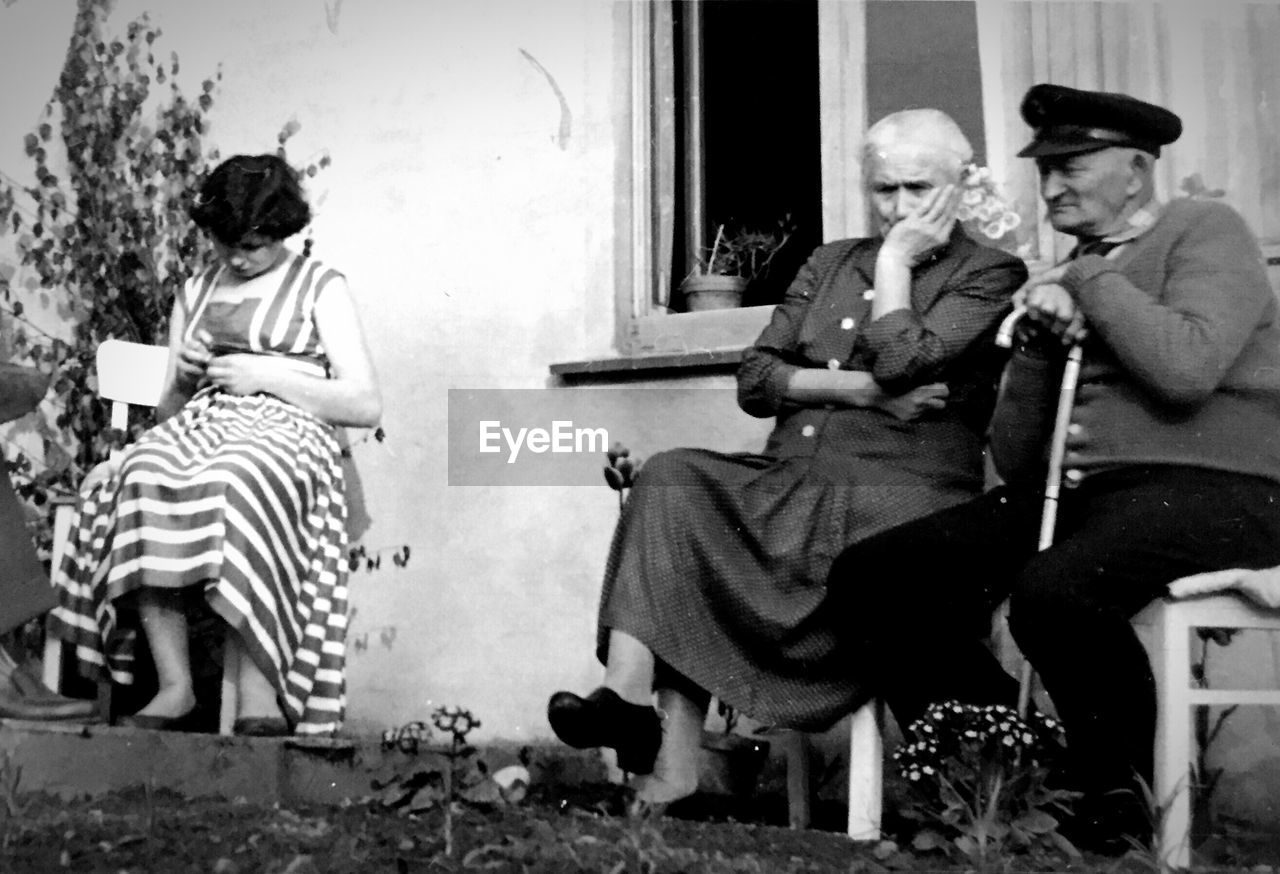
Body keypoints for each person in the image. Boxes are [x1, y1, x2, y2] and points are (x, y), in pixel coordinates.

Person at [824, 83, 1280, 854]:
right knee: (879, 574)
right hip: (1089, 496)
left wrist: (1085, 282)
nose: (1053, 186)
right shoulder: (1069, 271)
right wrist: (1034, 344)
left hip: (1223, 492)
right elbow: (1020, 460)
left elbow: (1186, 368)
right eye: (1044, 170)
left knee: (1058, 590)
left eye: (1073, 166)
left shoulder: (1206, 228)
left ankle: (1117, 807)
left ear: (1136, 170)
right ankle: (1013, 770)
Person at [548, 109, 1028, 805]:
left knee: (763, 540)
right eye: (884, 190)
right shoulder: (830, 261)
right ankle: (630, 708)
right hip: (790, 482)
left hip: (896, 500)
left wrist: (895, 264)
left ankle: (670, 760)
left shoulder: (989, 272)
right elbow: (757, 379)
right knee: (673, 479)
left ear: (960, 186)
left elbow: (905, 359)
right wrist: (860, 392)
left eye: (918, 189)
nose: (899, 209)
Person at [48, 153, 381, 736]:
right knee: (145, 471)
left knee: (236, 477)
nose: (236, 257)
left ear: (283, 230)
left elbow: (363, 403)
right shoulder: (196, 291)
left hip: (290, 431)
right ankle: (176, 686)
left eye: (252, 244)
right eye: (226, 242)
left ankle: (259, 692)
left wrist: (267, 377)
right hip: (201, 425)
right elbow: (170, 412)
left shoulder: (320, 286)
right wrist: (180, 375)